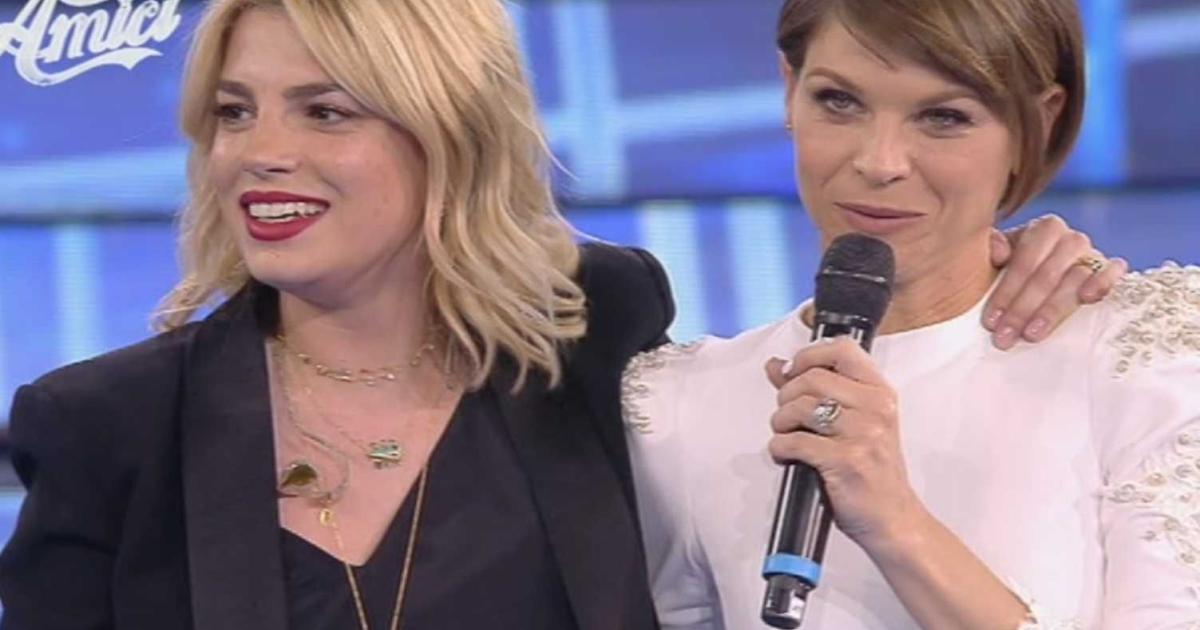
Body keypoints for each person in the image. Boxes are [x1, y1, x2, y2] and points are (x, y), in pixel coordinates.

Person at [0, 0, 1117, 629]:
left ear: (448, 130)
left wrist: (999, 253)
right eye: (234, 112)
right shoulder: (104, 425)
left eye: (325, 111)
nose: (260, 152)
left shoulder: (595, 336)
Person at [624, 1, 1198, 629]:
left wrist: (897, 522)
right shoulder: (677, 404)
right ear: (790, 90)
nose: (881, 162)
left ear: (1039, 120)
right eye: (839, 101)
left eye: (944, 117)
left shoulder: (1149, 361)